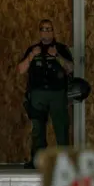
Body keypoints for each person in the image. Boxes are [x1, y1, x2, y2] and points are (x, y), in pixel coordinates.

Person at [18, 19, 73, 169]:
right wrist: (31, 56)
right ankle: (37, 160)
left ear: (53, 31)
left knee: (61, 128)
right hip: (37, 94)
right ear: (39, 32)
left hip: (57, 94)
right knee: (37, 129)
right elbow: (21, 69)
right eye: (43, 29)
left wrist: (57, 57)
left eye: (49, 29)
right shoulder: (33, 49)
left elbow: (70, 68)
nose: (46, 31)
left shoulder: (61, 48)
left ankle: (65, 161)